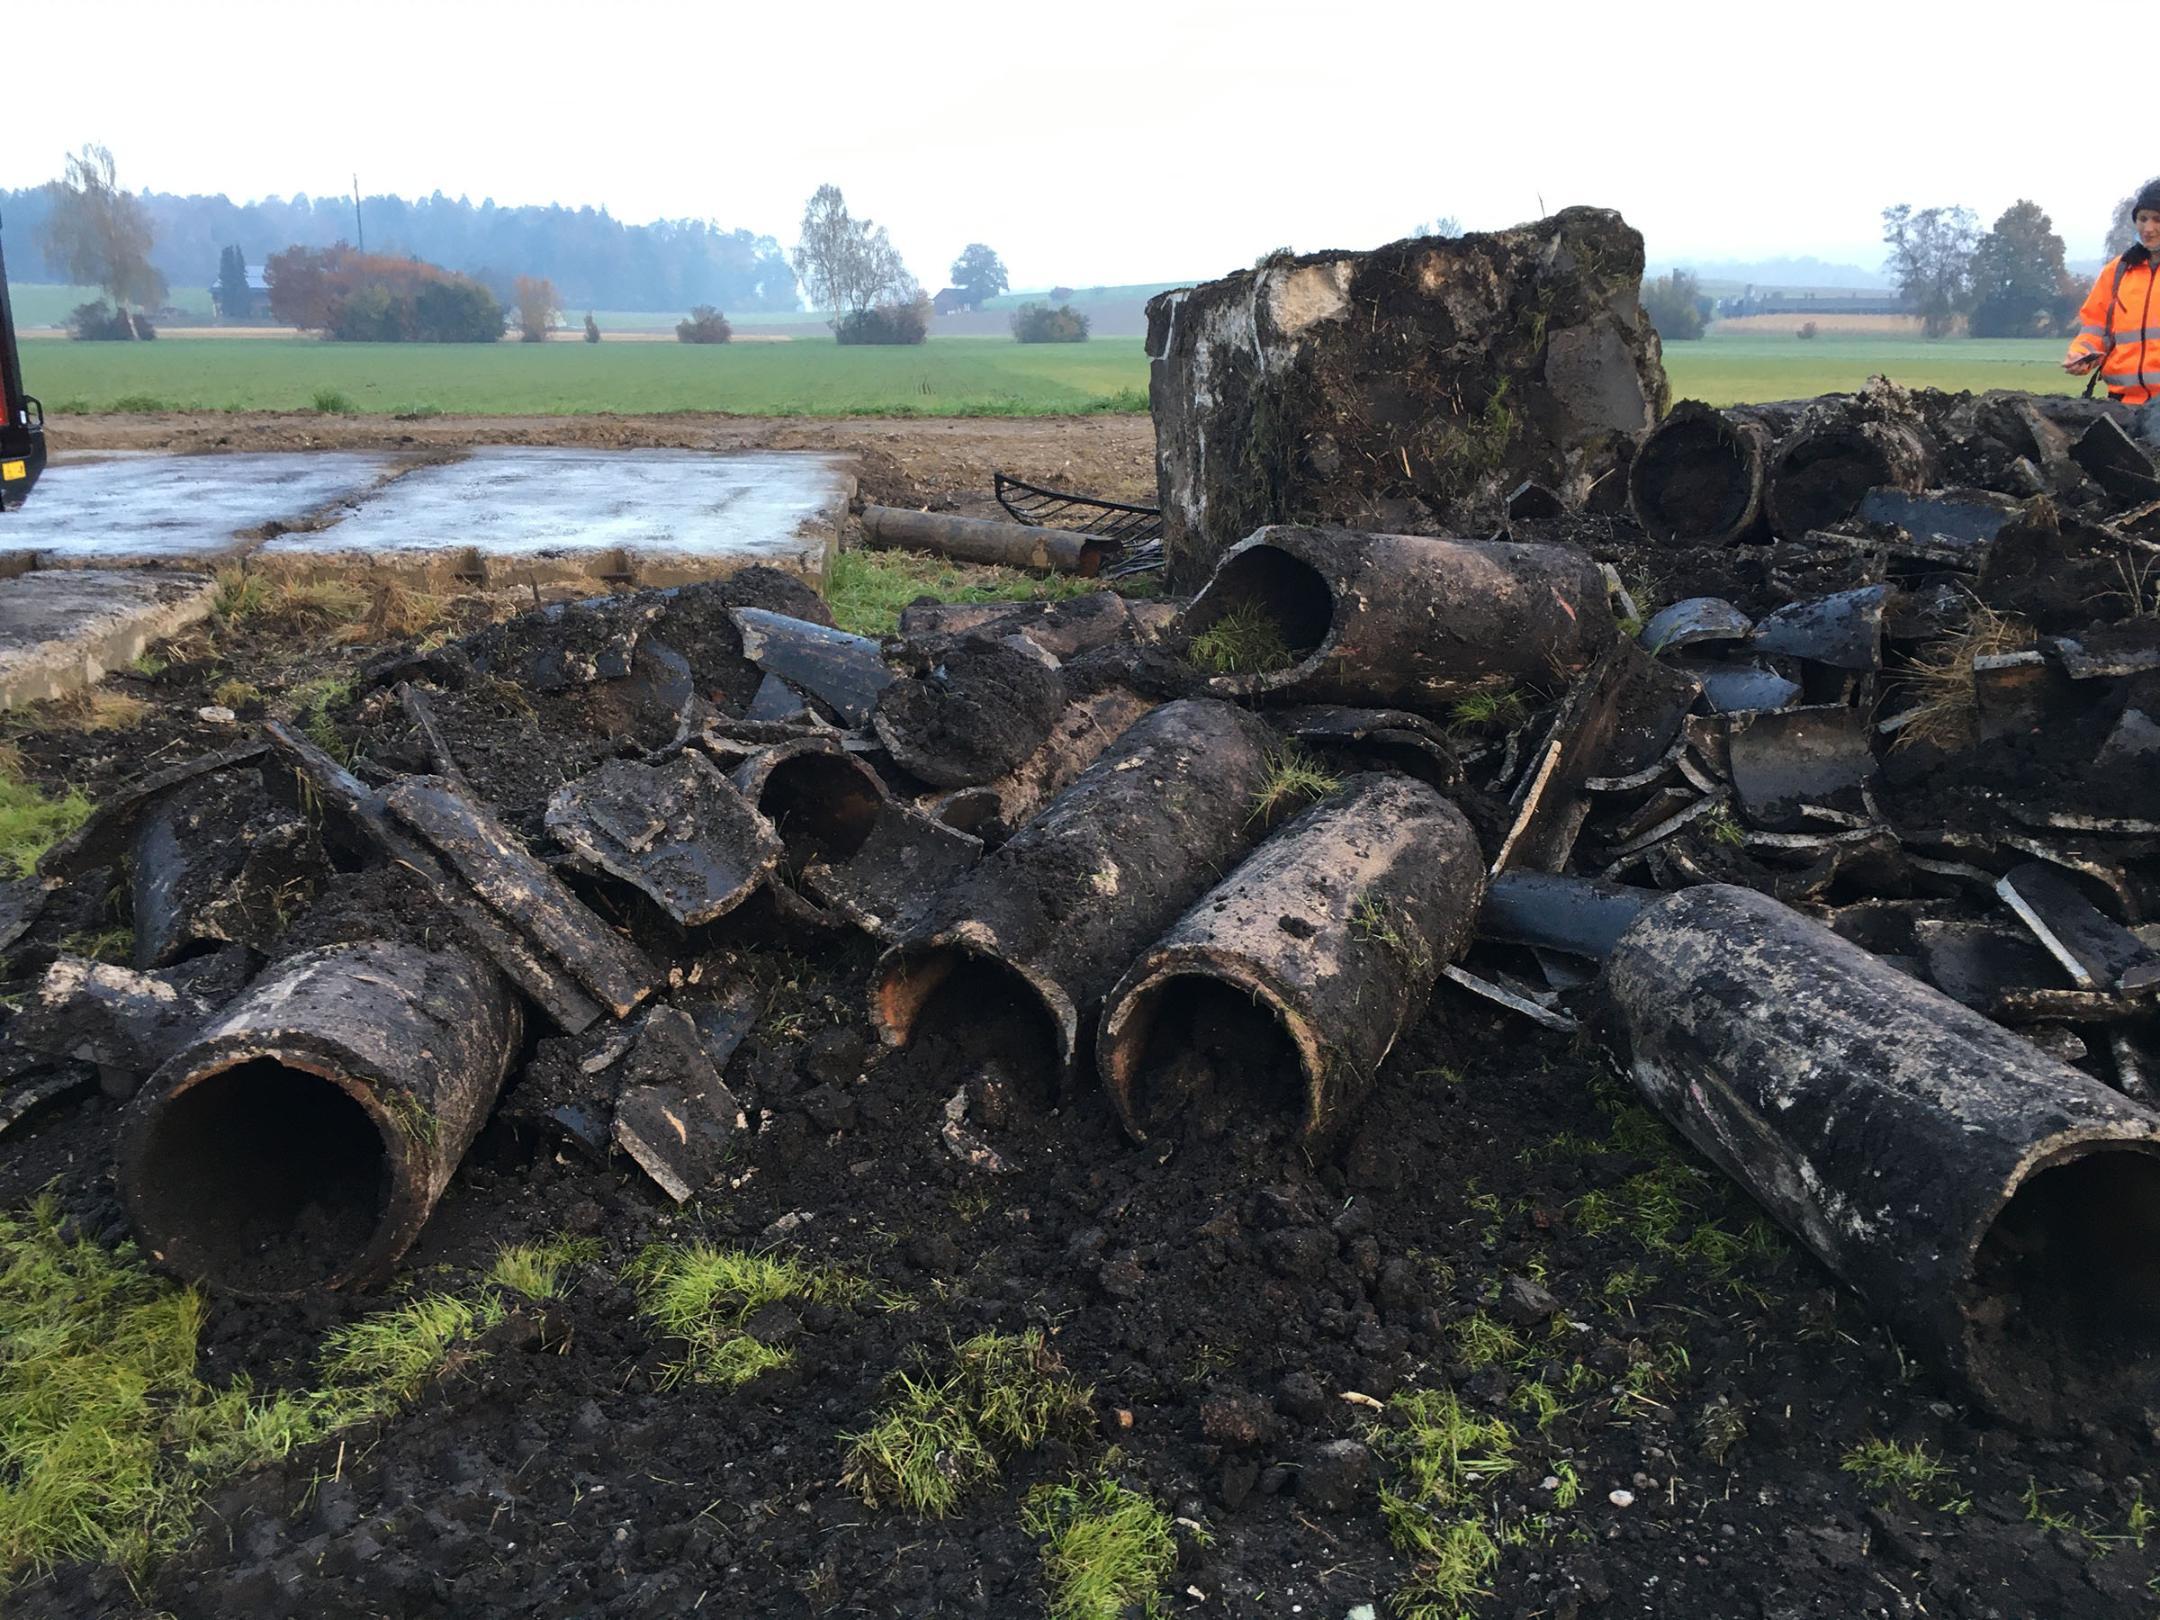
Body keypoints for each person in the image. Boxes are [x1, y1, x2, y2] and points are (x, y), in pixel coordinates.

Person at [2064, 180, 2160, 444]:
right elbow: (2095, 328)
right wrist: (2082, 354)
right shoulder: (2117, 271)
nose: (2148, 228)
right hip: (2121, 408)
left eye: (2157, 219)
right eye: (2142, 218)